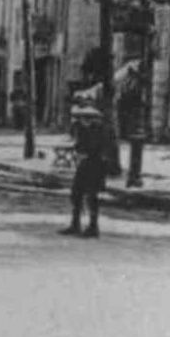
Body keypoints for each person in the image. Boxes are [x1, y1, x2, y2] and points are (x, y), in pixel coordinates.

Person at [64, 93, 113, 238]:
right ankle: (75, 224)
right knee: (76, 194)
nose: (81, 120)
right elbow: (79, 145)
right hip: (85, 164)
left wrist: (86, 152)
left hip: (96, 165)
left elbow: (102, 148)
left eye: (83, 117)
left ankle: (93, 226)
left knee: (92, 195)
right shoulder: (82, 128)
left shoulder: (101, 129)